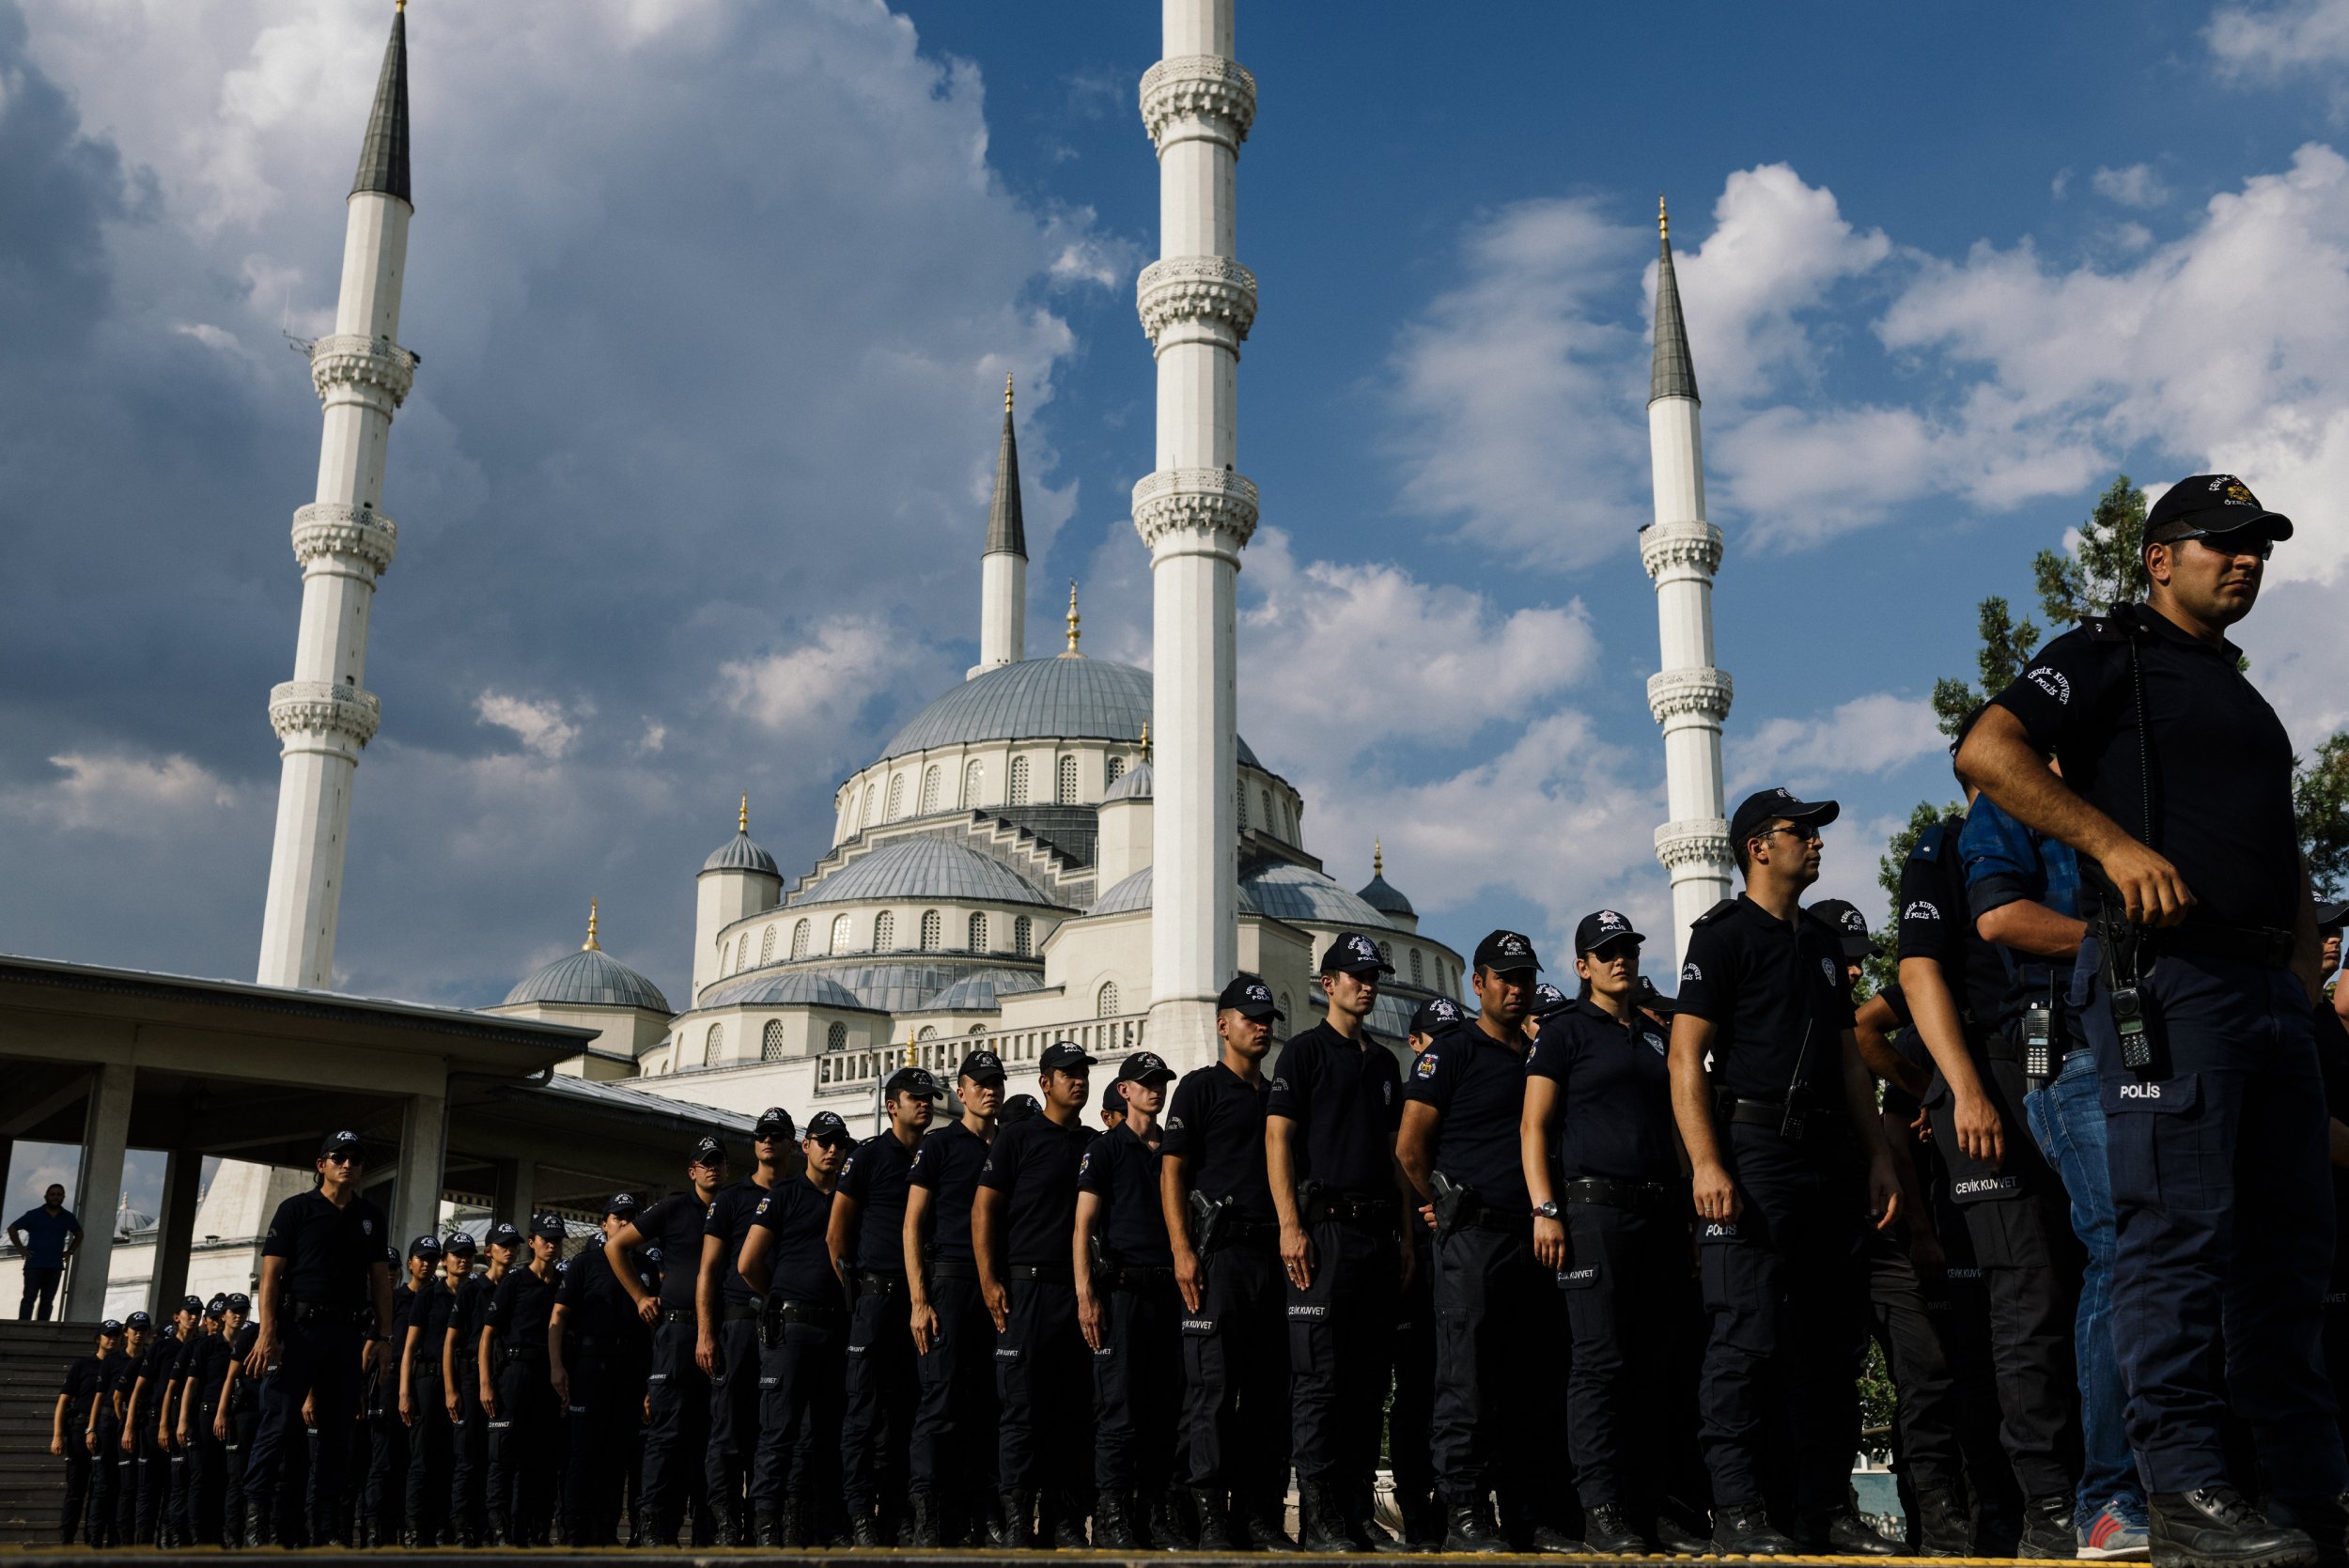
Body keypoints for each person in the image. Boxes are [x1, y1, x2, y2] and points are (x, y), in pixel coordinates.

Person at [1958, 474, 2340, 1565]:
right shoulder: (2105, 651)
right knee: (2170, 1239)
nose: (2245, 560)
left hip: (2264, 996)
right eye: (2220, 542)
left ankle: (2307, 1495)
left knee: (2288, 1255)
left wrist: (2301, 971)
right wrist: (2111, 848)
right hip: (2169, 985)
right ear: (2157, 557)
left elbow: (2279, 845)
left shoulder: (2239, 695)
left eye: (2257, 545)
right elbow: (1988, 749)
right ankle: (2178, 1491)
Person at [1668, 788, 1906, 1555]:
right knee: (1746, 1335)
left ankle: (1824, 1508)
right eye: (1799, 830)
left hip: (1828, 1156)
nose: (1816, 841)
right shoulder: (1723, 937)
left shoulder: (1821, 947)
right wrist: (1707, 1161)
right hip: (1755, 1147)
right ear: (1756, 847)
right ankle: (1738, 1509)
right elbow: (1684, 1056)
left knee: (1831, 1341)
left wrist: (1876, 1156)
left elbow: (1846, 1061)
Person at [1962, 775, 2151, 1560]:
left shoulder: (2140, 789)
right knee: (2120, 1242)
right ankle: (2106, 1498)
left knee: (2178, 1253)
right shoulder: (2008, 803)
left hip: (2159, 1049)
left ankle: (2190, 1481)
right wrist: (2118, 940)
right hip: (2070, 1053)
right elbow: (2000, 915)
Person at [1397, 930, 1579, 1552]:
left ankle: (1529, 1513)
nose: (1516, 985)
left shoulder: (1538, 1055)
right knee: (1465, 1382)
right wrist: (1439, 1200)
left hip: (1531, 1237)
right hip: (1472, 1237)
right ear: (1478, 983)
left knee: (1531, 1382)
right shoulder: (1451, 1053)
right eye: (1504, 975)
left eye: (1525, 975)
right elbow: (1410, 1145)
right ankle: (1465, 1512)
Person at [1520, 910, 1693, 1554]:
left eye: (1627, 948)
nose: (1620, 958)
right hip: (1593, 1212)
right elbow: (1534, 1125)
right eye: (1606, 951)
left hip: (1658, 1212)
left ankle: (1652, 1505)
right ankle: (1602, 1508)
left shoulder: (1652, 1035)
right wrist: (1546, 1208)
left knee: (1656, 1365)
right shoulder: (1564, 1031)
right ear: (1582, 965)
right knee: (1600, 1362)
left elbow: (1677, 1123)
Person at [1819, 900, 1986, 1559]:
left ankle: (1938, 1521)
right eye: (1846, 953)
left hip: (1885, 1235)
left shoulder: (1887, 1030)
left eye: (1862, 954)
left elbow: (1892, 1123)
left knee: (1927, 1371)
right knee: (1826, 1376)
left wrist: (1917, 1226)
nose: (1857, 967)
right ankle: (1830, 1510)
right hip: (1822, 1227)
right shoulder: (1786, 1017)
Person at [1267, 930, 1413, 1553]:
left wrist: (1405, 1235)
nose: (1368, 983)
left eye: (1373, 974)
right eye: (1355, 974)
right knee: (1321, 1380)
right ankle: (1322, 1510)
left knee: (1365, 1378)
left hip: (1377, 1234)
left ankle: (1356, 1511)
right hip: (1322, 1233)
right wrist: (1290, 1226)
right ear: (1327, 983)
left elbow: (1395, 1154)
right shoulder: (1303, 1053)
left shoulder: (1382, 1062)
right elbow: (1277, 1140)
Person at [1162, 973, 1295, 1552]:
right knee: (1213, 1390)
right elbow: (1172, 1173)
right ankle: (1209, 1513)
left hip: (1276, 1254)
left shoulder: (1278, 1095)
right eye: (1250, 1017)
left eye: (1267, 1019)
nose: (1261, 1027)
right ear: (1224, 1024)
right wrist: (1183, 1251)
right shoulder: (1199, 1088)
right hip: (1220, 1255)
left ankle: (1260, 1515)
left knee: (1271, 1393)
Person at [239, 1130, 397, 1548]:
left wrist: (384, 1335)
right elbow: (270, 1276)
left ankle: (324, 1531)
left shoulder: (370, 1216)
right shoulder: (295, 1209)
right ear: (320, 1163)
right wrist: (267, 1332)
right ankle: (258, 1527)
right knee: (277, 1428)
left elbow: (379, 1279)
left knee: (336, 1436)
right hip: (297, 1333)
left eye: (356, 1159)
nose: (348, 1164)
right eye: (339, 1156)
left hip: (346, 1336)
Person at [974, 1039, 1097, 1547]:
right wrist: (990, 1281)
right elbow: (984, 1211)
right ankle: (1019, 1520)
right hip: (1027, 1291)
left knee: (1074, 1411)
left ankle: (1065, 1520)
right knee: (1022, 1412)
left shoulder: (1094, 1142)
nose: (1078, 1080)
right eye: (1067, 1072)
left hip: (1080, 1294)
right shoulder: (1018, 1138)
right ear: (1044, 1082)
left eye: (1083, 1072)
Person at [1076, 1048, 1181, 1548]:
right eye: (1145, 1082)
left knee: (1165, 1410)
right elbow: (1083, 1228)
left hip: (1167, 1293)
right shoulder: (1106, 1148)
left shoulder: (1172, 1149)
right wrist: (1086, 1296)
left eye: (1160, 1081)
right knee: (1118, 1410)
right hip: (1120, 1295)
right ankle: (1112, 1517)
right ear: (1125, 1090)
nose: (1155, 1090)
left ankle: (1155, 1513)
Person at [830, 1072, 939, 1546]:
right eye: (915, 1098)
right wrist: (857, 1292)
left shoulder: (935, 1155)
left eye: (929, 1099)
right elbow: (836, 1235)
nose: (924, 1106)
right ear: (892, 1105)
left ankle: (897, 1514)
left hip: (920, 1302)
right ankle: (859, 1515)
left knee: (909, 1413)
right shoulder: (869, 1156)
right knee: (863, 1415)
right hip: (876, 1299)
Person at [739, 1111, 854, 1545]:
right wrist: (781, 1297)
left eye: (839, 1143)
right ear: (805, 1146)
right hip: (791, 1330)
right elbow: (747, 1263)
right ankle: (766, 1529)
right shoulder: (784, 1195)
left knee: (827, 1435)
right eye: (823, 1141)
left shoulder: (849, 1196)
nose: (831, 1149)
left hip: (837, 1329)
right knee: (778, 1435)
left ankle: (814, 1526)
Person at [609, 1132, 729, 1547]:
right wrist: (640, 1295)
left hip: (722, 1331)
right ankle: (656, 1529)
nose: (712, 1167)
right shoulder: (676, 1207)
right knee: (669, 1434)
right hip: (678, 1332)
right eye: (704, 1162)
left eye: (718, 1161)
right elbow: (616, 1247)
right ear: (692, 1171)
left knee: (713, 1435)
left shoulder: (734, 1209)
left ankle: (708, 1530)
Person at [1386, 996, 1465, 1550]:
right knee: (1417, 1389)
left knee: (1462, 1387)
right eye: (1435, 1037)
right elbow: (1401, 1163)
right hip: (1421, 1263)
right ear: (1414, 1044)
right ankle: (1416, 1514)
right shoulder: (1409, 1097)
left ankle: (1455, 1506)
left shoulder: (1468, 1093)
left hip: (1465, 1255)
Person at [700, 1106, 791, 1545]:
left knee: (774, 1430)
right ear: (754, 1143)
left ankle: (765, 1521)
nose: (769, 1140)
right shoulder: (730, 1199)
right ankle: (726, 1523)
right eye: (762, 1134)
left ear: (793, 1143)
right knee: (729, 1429)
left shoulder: (797, 1194)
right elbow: (709, 1271)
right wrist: (705, 1331)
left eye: (777, 1134)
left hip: (784, 1327)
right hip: (737, 1325)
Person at [552, 1194, 641, 1546]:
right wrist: (557, 1366)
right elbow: (558, 1318)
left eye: (630, 1218)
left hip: (629, 1369)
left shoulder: (644, 1266)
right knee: (584, 1453)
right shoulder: (584, 1264)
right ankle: (575, 1532)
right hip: (590, 1368)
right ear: (603, 1224)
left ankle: (605, 1530)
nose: (624, 1223)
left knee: (617, 1454)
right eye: (618, 1218)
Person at [481, 1212, 561, 1545]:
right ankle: (500, 1532)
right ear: (533, 1243)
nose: (551, 1245)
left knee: (538, 1459)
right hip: (514, 1374)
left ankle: (526, 1530)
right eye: (545, 1239)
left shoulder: (562, 1283)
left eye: (557, 1240)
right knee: (504, 1456)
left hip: (547, 1375)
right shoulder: (515, 1281)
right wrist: (486, 1383)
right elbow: (487, 1335)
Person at [362, 1236, 437, 1545]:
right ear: (411, 1264)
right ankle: (374, 1533)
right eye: (421, 1258)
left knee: (413, 1460)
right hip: (389, 1382)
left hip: (423, 1383)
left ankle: (405, 1528)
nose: (427, 1264)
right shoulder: (393, 1301)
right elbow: (368, 1349)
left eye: (433, 1259)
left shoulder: (439, 1297)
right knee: (384, 1460)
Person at [400, 1235, 464, 1547]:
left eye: (468, 1254)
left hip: (460, 1384)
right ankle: (415, 1530)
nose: (462, 1260)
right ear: (445, 1261)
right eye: (456, 1255)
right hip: (427, 1382)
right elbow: (410, 1348)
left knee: (452, 1458)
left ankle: (443, 1526)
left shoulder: (473, 1294)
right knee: (422, 1459)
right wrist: (404, 1392)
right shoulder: (428, 1296)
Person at [446, 1228, 504, 1546]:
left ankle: (486, 1524)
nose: (509, 1251)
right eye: (502, 1246)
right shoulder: (472, 1289)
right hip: (470, 1378)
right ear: (490, 1252)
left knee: (492, 1459)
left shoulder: (513, 1286)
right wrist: (451, 1390)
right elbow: (450, 1343)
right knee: (467, 1458)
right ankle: (462, 1526)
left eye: (513, 1245)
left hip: (500, 1377)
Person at [54, 1319, 115, 1544]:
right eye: (108, 1334)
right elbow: (63, 1401)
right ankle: (66, 1539)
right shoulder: (83, 1365)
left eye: (116, 1334)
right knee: (76, 1489)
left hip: (106, 1429)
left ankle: (93, 1538)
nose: (113, 1339)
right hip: (80, 1428)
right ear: (98, 1339)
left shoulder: (120, 1364)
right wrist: (58, 1435)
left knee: (100, 1489)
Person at [212, 1296, 258, 1547]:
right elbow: (230, 1379)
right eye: (234, 1311)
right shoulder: (247, 1339)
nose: (239, 1316)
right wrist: (222, 1413)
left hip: (259, 1414)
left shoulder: (258, 1333)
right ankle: (232, 1535)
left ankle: (249, 1535)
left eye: (243, 1311)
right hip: (238, 1415)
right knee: (236, 1478)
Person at [10, 1183, 84, 1322]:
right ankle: (23, 1326)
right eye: (52, 1194)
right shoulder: (33, 1215)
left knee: (47, 1300)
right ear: (46, 1197)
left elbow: (79, 1234)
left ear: (63, 1197)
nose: (55, 1197)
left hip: (54, 1265)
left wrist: (70, 1251)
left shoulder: (67, 1217)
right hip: (34, 1264)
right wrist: (20, 1248)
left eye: (59, 1194)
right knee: (29, 1297)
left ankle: (43, 1327)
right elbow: (12, 1229)